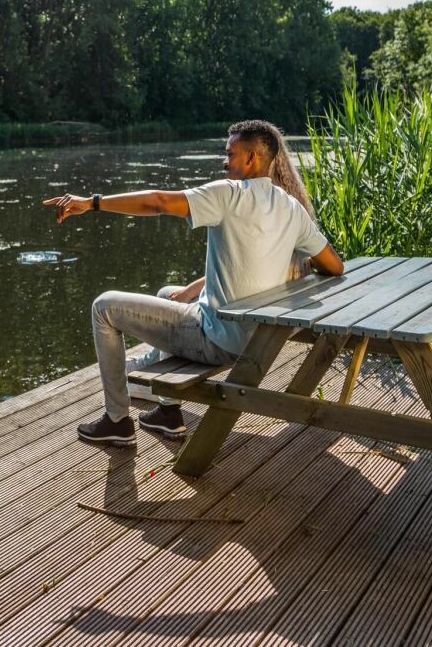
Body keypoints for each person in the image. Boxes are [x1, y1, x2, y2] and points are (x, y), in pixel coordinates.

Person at [43, 119, 344, 446]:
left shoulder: (229, 194)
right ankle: (167, 414)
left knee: (103, 308)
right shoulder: (291, 207)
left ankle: (116, 419)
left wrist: (93, 202)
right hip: (261, 339)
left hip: (219, 341)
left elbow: (158, 202)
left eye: (230, 153)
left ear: (252, 159)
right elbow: (334, 266)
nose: (224, 160)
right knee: (168, 294)